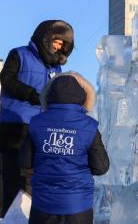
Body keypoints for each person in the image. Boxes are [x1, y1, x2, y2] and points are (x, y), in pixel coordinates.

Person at [0, 20, 74, 216]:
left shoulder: (57, 70)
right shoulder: (19, 54)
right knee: (13, 180)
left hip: (42, 131)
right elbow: (7, 80)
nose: (58, 46)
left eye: (62, 44)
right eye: (56, 41)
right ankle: (12, 219)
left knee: (35, 181)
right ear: (45, 38)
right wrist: (32, 95)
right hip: (16, 127)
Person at [20, 72, 110, 224]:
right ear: (83, 97)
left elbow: (24, 161)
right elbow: (101, 168)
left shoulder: (36, 123)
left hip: (43, 206)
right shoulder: (89, 127)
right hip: (78, 207)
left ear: (48, 96)